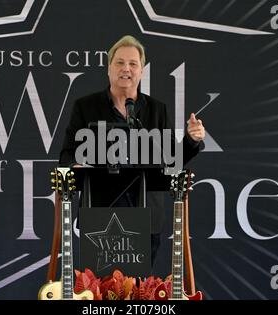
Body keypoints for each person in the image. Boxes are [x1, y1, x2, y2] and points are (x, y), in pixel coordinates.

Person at [59, 35, 205, 266]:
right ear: (109, 69)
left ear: (142, 71)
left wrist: (191, 140)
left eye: (133, 63)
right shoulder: (85, 107)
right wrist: (76, 166)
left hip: (147, 217)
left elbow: (170, 162)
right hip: (100, 213)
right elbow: (67, 155)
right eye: (119, 62)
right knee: (99, 294)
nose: (126, 68)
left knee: (140, 294)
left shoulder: (157, 109)